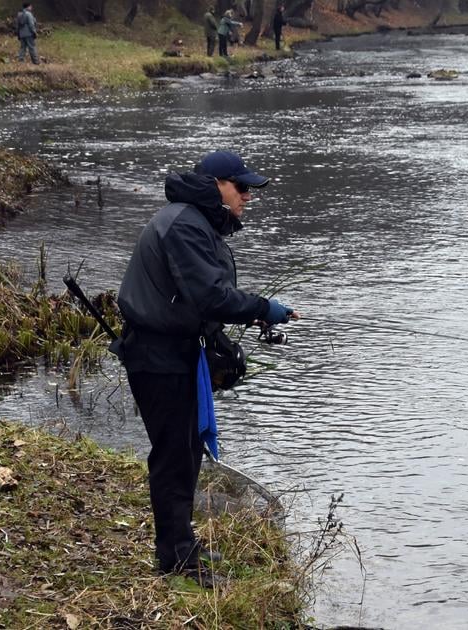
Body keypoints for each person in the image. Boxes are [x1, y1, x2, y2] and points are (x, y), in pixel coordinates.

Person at [116, 150, 298, 587]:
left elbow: (199, 299)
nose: (248, 196)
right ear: (216, 184)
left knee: (185, 451)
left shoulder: (192, 220)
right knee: (174, 456)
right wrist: (263, 308)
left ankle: (181, 544)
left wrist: (242, 320)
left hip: (175, 352)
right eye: (242, 187)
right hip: (158, 356)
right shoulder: (184, 224)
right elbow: (211, 296)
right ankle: (177, 559)